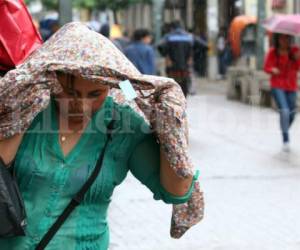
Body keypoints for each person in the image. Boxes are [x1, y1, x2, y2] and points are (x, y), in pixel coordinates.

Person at [0, 23, 198, 250]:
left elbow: (176, 191)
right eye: (71, 92)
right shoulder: (31, 110)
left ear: (111, 86)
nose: (81, 106)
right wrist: (21, 106)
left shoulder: (124, 126)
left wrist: (172, 125)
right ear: (53, 79)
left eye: (95, 94)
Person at [264, 33, 300, 151]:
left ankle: (284, 126)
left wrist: (297, 58)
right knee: (284, 111)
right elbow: (266, 67)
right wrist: (272, 69)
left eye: (287, 38)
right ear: (278, 39)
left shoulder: (295, 51)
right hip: (277, 85)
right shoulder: (273, 52)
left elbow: (298, 67)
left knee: (292, 114)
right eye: (282, 38)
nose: (284, 40)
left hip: (291, 86)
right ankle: (286, 140)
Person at [158, 21, 193, 97]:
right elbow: (200, 46)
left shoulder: (168, 36)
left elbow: (160, 46)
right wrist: (190, 57)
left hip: (172, 64)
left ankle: (173, 96)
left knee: (172, 81)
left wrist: (166, 55)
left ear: (171, 28)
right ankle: (184, 96)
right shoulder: (188, 36)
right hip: (185, 64)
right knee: (184, 81)